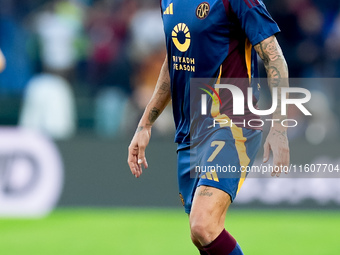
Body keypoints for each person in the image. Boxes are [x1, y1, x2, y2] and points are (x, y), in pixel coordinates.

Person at [127, 0, 290, 254]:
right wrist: (145, 124)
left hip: (232, 122)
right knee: (203, 236)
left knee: (203, 225)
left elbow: (274, 58)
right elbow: (175, 61)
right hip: (189, 131)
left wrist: (279, 127)